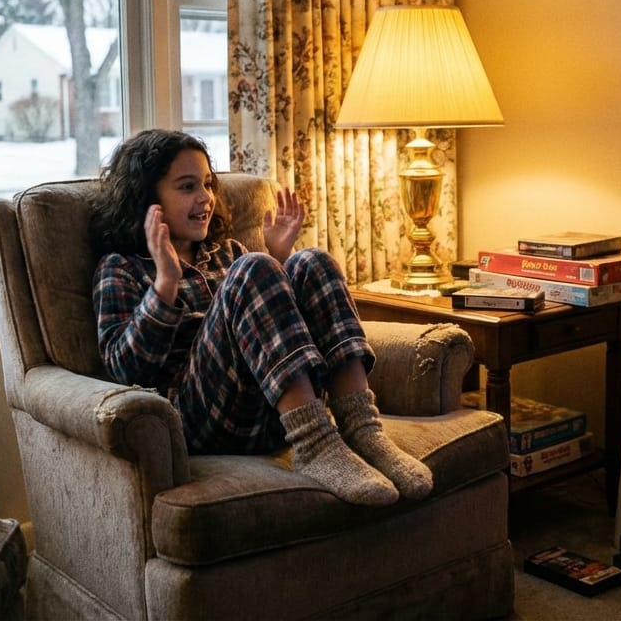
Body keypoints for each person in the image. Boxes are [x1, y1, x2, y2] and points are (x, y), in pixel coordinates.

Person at [91, 129, 431, 506]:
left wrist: (282, 260)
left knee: (311, 260)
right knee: (253, 267)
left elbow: (276, 333)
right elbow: (125, 369)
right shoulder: (120, 268)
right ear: (148, 198)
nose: (205, 198)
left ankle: (361, 429)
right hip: (199, 420)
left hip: (269, 415)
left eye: (207, 184)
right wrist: (165, 283)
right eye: (187, 187)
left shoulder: (226, 252)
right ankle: (315, 445)